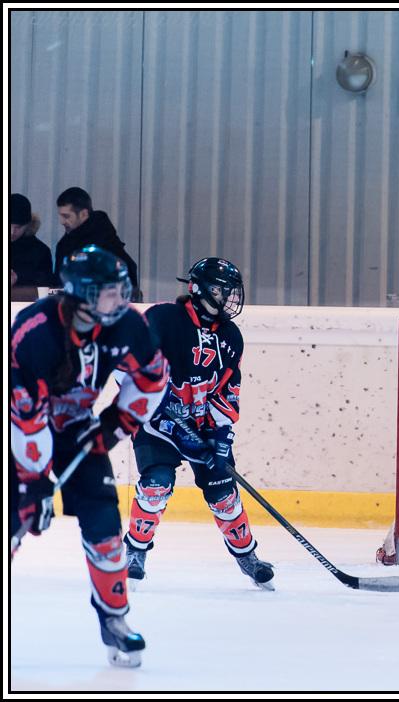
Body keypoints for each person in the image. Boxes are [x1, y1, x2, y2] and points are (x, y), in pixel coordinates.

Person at [10, 245, 169, 667]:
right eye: (110, 292)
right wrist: (34, 482)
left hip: (79, 428)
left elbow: (153, 379)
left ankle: (114, 618)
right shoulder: (35, 330)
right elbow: (25, 417)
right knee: (13, 521)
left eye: (122, 291)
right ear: (81, 293)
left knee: (105, 528)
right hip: (18, 432)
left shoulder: (128, 327)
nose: (121, 300)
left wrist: (117, 424)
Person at [123, 257, 274, 589]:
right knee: (156, 484)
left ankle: (247, 555)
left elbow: (227, 388)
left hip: (201, 425)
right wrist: (157, 397)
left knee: (224, 492)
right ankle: (134, 551)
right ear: (200, 289)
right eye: (223, 291)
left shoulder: (230, 336)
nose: (230, 299)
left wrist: (221, 436)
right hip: (157, 422)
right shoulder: (164, 319)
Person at [53, 187, 140, 298]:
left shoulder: (105, 241)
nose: (62, 222)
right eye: (60, 216)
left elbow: (127, 272)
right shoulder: (64, 244)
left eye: (66, 216)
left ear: (83, 214)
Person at [10, 193, 57, 297]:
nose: (12, 232)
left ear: (27, 225)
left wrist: (18, 277)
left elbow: (47, 283)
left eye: (18, 227)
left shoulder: (40, 251)